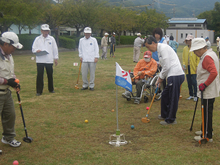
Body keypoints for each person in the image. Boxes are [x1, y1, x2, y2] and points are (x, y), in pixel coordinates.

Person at [144, 36, 185, 125]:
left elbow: (167, 65)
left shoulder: (163, 48)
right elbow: (163, 65)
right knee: (165, 95)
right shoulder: (159, 50)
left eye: (148, 47)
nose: (149, 49)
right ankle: (164, 114)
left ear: (154, 43)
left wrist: (160, 78)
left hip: (175, 75)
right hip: (171, 75)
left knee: (173, 98)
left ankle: (171, 119)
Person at [190, 38, 219, 143]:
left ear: (201, 48)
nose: (194, 52)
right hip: (208, 89)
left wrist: (205, 84)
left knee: (206, 112)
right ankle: (206, 129)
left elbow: (214, 73)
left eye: (195, 50)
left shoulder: (207, 57)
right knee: (206, 111)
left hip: (207, 90)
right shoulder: (210, 54)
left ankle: (207, 135)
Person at [0, 32, 23, 147]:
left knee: (10, 115)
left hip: (6, 92)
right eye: (13, 47)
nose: (14, 49)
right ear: (5, 44)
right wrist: (6, 81)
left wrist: (13, 82)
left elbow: (10, 72)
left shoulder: (9, 55)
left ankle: (8, 138)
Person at [32, 24, 59, 96]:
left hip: (49, 60)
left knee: (50, 75)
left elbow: (55, 49)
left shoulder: (51, 39)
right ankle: (39, 91)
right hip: (40, 60)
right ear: (41, 31)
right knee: (40, 75)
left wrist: (55, 58)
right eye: (44, 31)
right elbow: (33, 48)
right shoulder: (37, 39)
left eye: (47, 31)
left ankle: (51, 89)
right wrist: (37, 50)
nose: (46, 32)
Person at [78, 27, 99, 91]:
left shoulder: (94, 40)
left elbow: (96, 48)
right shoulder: (81, 40)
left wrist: (96, 57)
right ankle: (85, 85)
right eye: (86, 33)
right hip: (84, 59)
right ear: (84, 33)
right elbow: (80, 49)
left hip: (92, 59)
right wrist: (80, 56)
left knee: (92, 73)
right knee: (84, 73)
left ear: (90, 33)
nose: (87, 35)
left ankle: (91, 85)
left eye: (88, 33)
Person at [182, 34, 200, 102]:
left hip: (194, 67)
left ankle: (196, 95)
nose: (189, 41)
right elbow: (183, 58)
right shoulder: (185, 49)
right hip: (187, 67)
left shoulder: (195, 49)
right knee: (189, 81)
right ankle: (191, 94)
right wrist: (184, 65)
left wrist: (197, 67)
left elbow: (198, 59)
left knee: (194, 82)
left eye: (190, 40)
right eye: (187, 40)